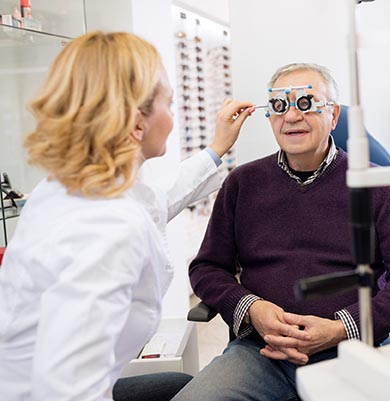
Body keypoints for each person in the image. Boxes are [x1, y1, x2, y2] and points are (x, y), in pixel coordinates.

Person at [0, 31, 254, 401]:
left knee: (176, 385)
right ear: (138, 123)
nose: (174, 115)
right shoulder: (108, 228)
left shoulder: (68, 188)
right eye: (169, 103)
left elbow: (154, 204)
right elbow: (68, 390)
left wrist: (216, 150)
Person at [174, 63, 390, 401]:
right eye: (280, 106)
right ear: (269, 116)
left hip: (352, 350)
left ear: (334, 116)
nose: (292, 116)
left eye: (307, 103)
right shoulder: (242, 183)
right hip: (262, 353)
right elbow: (207, 268)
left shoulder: (376, 185)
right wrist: (251, 308)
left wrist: (341, 328)